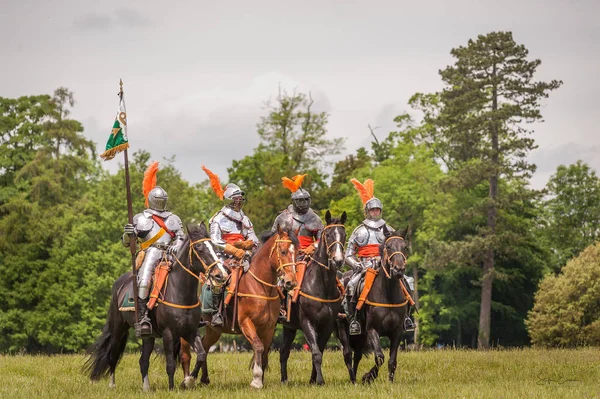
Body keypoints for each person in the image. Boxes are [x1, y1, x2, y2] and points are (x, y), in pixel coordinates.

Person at [344, 178, 415, 335]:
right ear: (367, 211)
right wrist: (356, 265)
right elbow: (348, 253)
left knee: (408, 282)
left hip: (386, 266)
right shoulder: (359, 231)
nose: (375, 212)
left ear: (380, 211)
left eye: (377, 210)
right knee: (351, 285)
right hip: (364, 266)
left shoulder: (388, 229)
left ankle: (407, 317)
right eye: (372, 210)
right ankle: (354, 319)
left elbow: (396, 247)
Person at [122, 161, 185, 337]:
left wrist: (176, 247)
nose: (160, 203)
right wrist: (129, 234)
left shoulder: (173, 218)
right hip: (151, 252)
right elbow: (127, 242)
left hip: (171, 254)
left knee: (188, 276)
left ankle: (192, 314)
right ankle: (143, 318)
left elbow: (181, 237)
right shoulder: (141, 218)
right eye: (158, 200)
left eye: (162, 201)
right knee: (143, 281)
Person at [201, 165, 259, 327]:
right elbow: (215, 241)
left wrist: (248, 244)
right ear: (229, 200)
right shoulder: (218, 219)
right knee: (219, 278)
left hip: (245, 256)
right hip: (223, 257)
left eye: (240, 199)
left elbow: (254, 238)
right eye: (236, 199)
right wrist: (234, 249)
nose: (239, 202)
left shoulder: (245, 219)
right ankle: (216, 313)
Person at [271, 174, 323, 321]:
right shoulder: (283, 217)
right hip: (288, 256)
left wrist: (313, 247)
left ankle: (338, 306)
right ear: (294, 201)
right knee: (278, 283)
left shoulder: (315, 218)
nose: (303, 203)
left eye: (306, 200)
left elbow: (321, 238)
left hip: (310, 256)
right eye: (300, 200)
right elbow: (273, 239)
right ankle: (280, 308)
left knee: (332, 276)